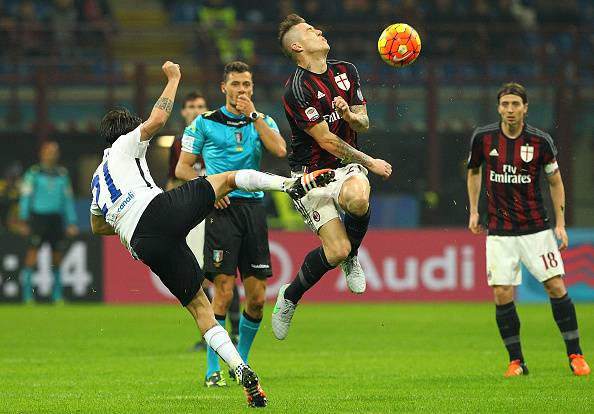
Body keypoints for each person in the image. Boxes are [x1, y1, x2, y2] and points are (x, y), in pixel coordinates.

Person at [89, 60, 334, 407]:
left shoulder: (97, 179)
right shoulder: (127, 143)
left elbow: (98, 226)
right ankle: (291, 185)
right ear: (127, 131)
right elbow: (158, 120)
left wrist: (129, 226)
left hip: (141, 242)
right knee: (229, 179)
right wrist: (174, 78)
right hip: (156, 212)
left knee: (200, 309)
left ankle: (240, 368)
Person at [271, 14, 392, 340]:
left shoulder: (346, 71)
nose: (319, 30)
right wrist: (371, 161)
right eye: (310, 30)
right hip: (311, 174)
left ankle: (353, 256)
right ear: (297, 46)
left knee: (358, 197)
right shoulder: (296, 90)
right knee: (335, 250)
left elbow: (363, 123)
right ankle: (290, 296)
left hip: (345, 168)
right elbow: (325, 140)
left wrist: (351, 115)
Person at [176, 61, 288, 387]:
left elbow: (280, 149)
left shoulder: (261, 120)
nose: (242, 90)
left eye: (247, 85)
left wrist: (253, 115)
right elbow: (184, 168)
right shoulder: (204, 123)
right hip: (221, 209)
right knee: (222, 291)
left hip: (253, 210)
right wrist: (209, 188)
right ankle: (212, 368)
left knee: (256, 297)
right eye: (236, 84)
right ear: (223, 87)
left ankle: (242, 361)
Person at [467, 82, 590, 377]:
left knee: (556, 286)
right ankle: (516, 362)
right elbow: (473, 171)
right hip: (499, 230)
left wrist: (560, 224)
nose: (510, 110)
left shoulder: (540, 142)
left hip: (536, 229)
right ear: (499, 107)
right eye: (505, 104)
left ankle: (576, 355)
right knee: (502, 294)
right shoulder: (483, 139)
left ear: (525, 108)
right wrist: (473, 210)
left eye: (515, 105)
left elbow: (556, 182)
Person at [166, 91, 241, 352]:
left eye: (201, 105)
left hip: (222, 211)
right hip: (194, 217)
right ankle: (210, 334)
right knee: (199, 276)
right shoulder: (178, 144)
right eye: (191, 106)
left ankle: (236, 333)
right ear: (184, 113)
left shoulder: (218, 134)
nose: (196, 110)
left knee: (225, 275)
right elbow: (173, 181)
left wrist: (217, 191)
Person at [19, 141, 79, 304]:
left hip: (56, 220)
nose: (52, 154)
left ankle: (57, 295)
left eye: (54, 151)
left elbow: (67, 200)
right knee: (32, 256)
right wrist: (24, 219)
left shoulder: (62, 174)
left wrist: (71, 222)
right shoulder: (33, 173)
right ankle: (27, 295)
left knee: (57, 258)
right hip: (38, 219)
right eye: (48, 151)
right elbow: (26, 197)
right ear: (42, 153)